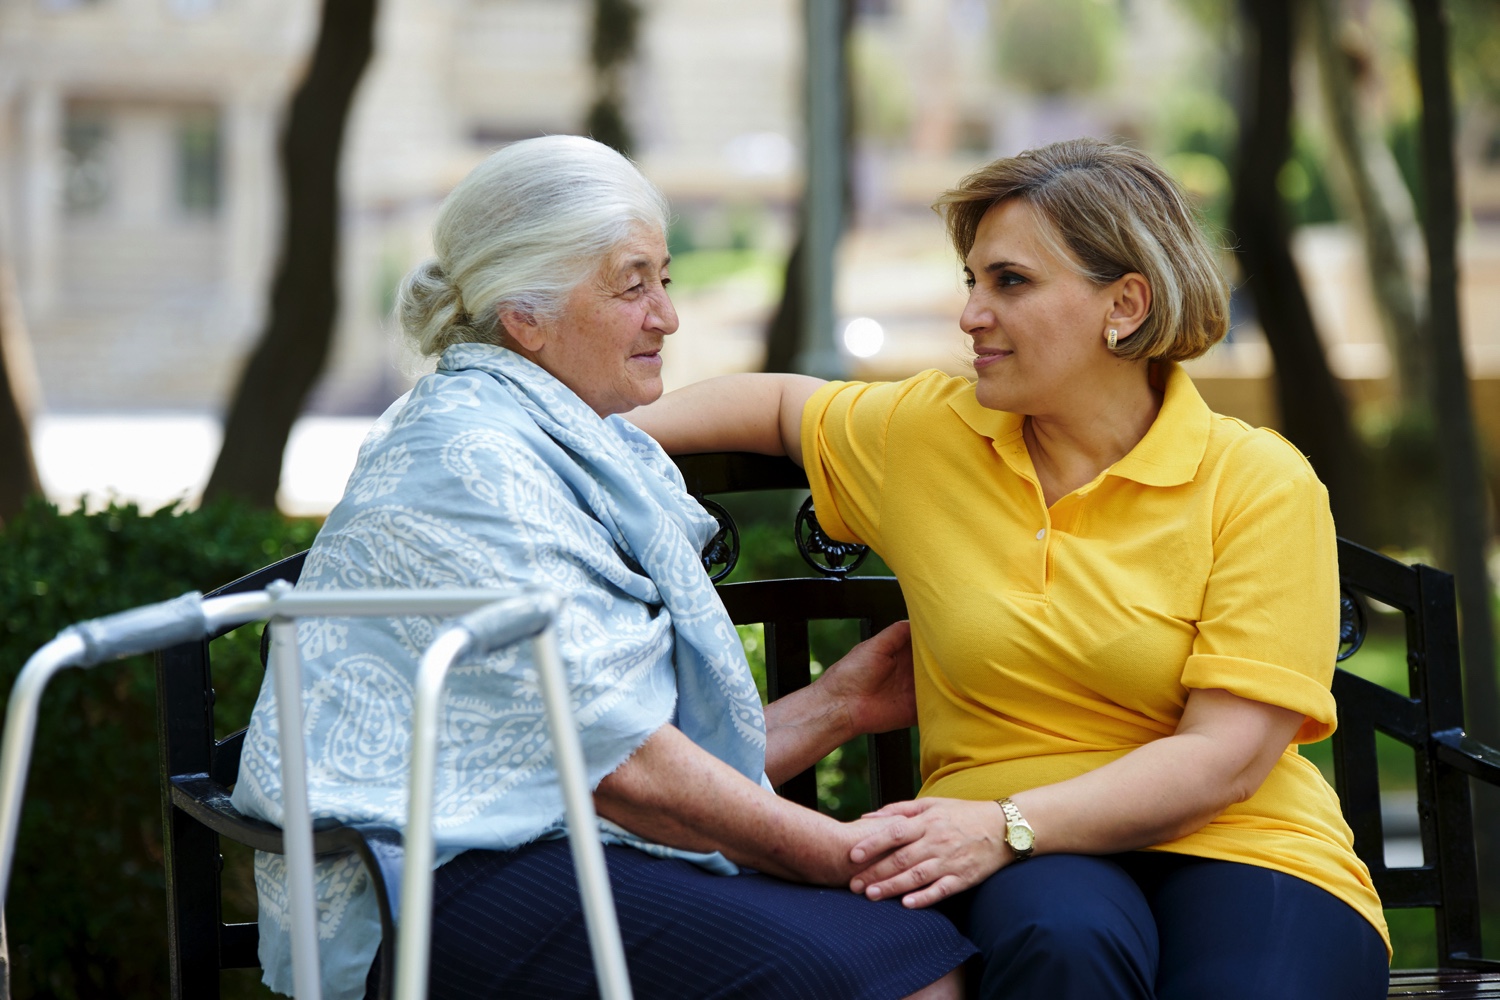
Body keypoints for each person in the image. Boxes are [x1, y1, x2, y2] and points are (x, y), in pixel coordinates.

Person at [627, 137, 1390, 1000]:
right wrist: (580, 441)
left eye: (1010, 282)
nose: (970, 315)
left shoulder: (1256, 481)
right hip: (1012, 857)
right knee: (1061, 945)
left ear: (1125, 304)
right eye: (972, 282)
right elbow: (771, 406)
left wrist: (1009, 826)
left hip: (1243, 841)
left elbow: (1225, 757)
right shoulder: (929, 435)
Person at [230, 134, 973, 1000]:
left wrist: (841, 703)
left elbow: (596, 752)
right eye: (632, 285)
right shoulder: (469, 458)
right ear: (526, 315)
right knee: (880, 966)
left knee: (913, 950)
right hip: (430, 884)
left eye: (664, 278)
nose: (666, 315)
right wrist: (838, 852)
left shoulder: (539, 430)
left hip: (538, 840)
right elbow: (625, 771)